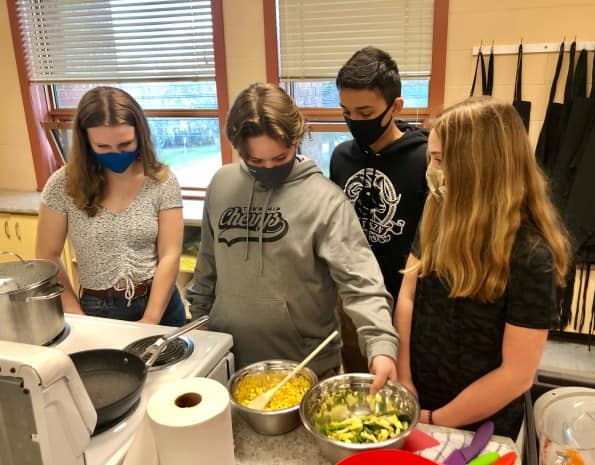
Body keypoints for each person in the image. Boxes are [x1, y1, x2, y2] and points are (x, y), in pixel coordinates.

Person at [186, 83, 398, 389]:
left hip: (304, 366)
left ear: (296, 140)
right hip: (228, 356)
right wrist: (199, 319)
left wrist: (381, 348)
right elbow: (208, 261)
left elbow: (362, 284)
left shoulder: (326, 201)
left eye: (280, 157)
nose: (269, 168)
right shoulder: (221, 183)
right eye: (255, 162)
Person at [394, 97, 572, 439]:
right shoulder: (438, 214)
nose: (431, 170)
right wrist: (405, 381)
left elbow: (516, 374)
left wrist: (437, 419)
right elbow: (408, 296)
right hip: (419, 397)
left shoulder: (530, 255)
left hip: (480, 420)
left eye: (439, 159)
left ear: (478, 168)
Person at [37, 86, 186, 327]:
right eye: (103, 147)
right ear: (86, 142)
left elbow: (170, 254)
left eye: (125, 144)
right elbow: (47, 256)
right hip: (97, 308)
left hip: (160, 305)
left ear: (140, 135)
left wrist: (151, 318)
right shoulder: (62, 185)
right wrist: (76, 315)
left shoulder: (161, 180)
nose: (116, 153)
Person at [330, 47, 428, 371]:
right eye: (346, 112)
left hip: (410, 304)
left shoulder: (426, 160)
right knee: (362, 388)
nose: (355, 122)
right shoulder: (341, 158)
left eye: (365, 113)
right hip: (355, 303)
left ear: (395, 106)